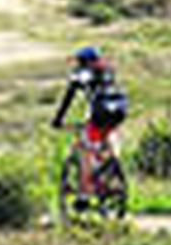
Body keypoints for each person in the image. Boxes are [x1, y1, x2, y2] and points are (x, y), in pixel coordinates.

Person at [50, 46, 130, 204]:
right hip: (118, 113)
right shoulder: (109, 71)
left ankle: (85, 193)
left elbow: (69, 97)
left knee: (84, 149)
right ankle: (112, 168)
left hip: (99, 115)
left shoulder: (82, 74)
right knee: (108, 136)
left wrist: (58, 119)